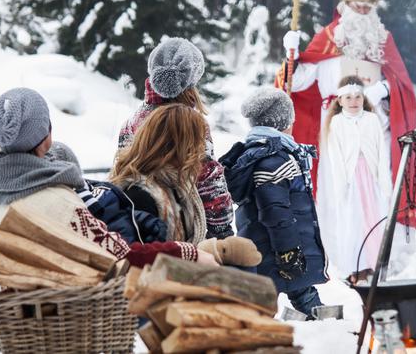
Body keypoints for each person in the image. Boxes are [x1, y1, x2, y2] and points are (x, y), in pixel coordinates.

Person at [276, 0, 416, 257]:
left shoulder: (382, 40)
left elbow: (402, 87)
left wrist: (381, 91)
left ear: (374, 7)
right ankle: (343, 254)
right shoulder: (329, 37)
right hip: (337, 126)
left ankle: (383, 254)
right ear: (344, 5)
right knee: (340, 190)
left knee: (378, 186)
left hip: (375, 128)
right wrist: (291, 54)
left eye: (366, 6)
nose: (360, 10)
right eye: (355, 5)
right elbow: (298, 83)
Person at [0, 87, 215, 267]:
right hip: (74, 321)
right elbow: (120, 257)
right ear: (45, 134)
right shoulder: (59, 200)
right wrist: (188, 253)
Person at [220, 87, 328, 318]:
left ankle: (322, 328)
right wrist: (288, 252)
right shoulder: (275, 159)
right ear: (284, 123)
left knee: (296, 292)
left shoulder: (261, 152)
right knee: (270, 301)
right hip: (278, 247)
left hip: (267, 244)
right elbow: (275, 210)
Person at [118, 37, 234, 240]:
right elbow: (207, 177)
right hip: (178, 223)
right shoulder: (191, 123)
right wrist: (222, 229)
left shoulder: (132, 121)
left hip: (136, 221)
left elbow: (121, 168)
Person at [319, 75, 392, 281]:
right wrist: (341, 186)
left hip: (371, 177)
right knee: (353, 220)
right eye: (348, 97)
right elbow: (336, 157)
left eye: (358, 97)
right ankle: (355, 265)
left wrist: (383, 182)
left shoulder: (371, 120)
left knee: (374, 217)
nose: (353, 101)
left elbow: (381, 152)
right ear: (340, 101)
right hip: (350, 180)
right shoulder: (337, 123)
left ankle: (374, 263)